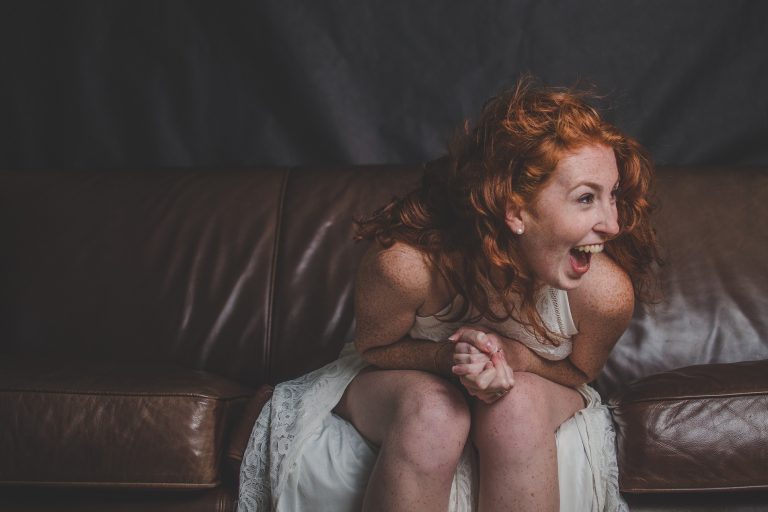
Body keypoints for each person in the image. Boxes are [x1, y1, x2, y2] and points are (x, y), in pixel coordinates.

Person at [238, 76, 661, 512]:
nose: (612, 224)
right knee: (435, 413)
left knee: (515, 409)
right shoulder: (405, 268)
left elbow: (579, 371)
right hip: (397, 383)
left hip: (538, 392)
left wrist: (514, 358)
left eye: (613, 195)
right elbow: (373, 348)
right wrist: (450, 359)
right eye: (586, 198)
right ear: (516, 211)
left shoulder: (605, 294)